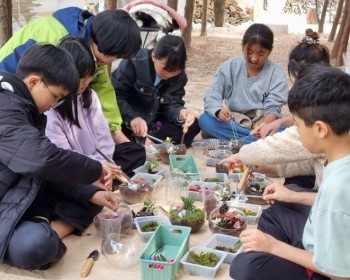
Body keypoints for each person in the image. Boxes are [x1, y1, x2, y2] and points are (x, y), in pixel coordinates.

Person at [0, 44, 120, 270]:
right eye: (56, 96)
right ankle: (44, 229)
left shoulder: (24, 107)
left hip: (20, 194)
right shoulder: (5, 108)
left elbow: (42, 170)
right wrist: (95, 169)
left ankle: (43, 224)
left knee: (94, 196)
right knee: (37, 246)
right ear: (34, 82)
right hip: (8, 202)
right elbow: (42, 160)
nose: (54, 105)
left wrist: (91, 192)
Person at [230, 64, 350, 280]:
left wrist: (274, 247)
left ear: (321, 129)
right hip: (320, 239)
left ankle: (300, 267)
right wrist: (292, 196)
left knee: (244, 267)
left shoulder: (338, 186)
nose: (296, 132)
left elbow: (341, 273)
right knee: (274, 214)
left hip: (330, 267)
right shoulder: (339, 159)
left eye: (296, 125)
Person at [0, 6, 141, 144]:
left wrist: (115, 130)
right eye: (116, 57)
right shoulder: (59, 45)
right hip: (8, 88)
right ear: (105, 48)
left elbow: (102, 86)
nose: (112, 61)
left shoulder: (93, 41)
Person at [221, 29, 331, 190]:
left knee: (276, 211)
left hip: (332, 201)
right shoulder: (330, 92)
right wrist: (271, 168)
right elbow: (312, 157)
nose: (254, 58)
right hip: (322, 182)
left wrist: (244, 154)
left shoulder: (320, 105)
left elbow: (297, 141)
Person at [45, 36, 146, 179]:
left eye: (89, 76)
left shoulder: (90, 96)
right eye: (81, 77)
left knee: (135, 151)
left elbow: (103, 135)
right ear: (66, 73)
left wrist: (105, 162)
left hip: (99, 160)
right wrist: (96, 166)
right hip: (77, 165)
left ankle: (104, 179)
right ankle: (100, 181)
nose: (86, 82)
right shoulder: (52, 105)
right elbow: (63, 152)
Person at [198, 23, 289, 144]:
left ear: (270, 51)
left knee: (288, 130)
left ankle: (238, 141)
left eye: (261, 54)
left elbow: (274, 106)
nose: (254, 58)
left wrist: (265, 125)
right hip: (234, 121)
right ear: (243, 47)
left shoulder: (276, 73)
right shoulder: (230, 66)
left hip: (263, 123)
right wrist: (219, 110)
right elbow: (212, 93)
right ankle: (258, 143)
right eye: (249, 52)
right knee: (205, 120)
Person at [112, 34, 200, 148]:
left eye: (175, 71)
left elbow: (172, 104)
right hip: (129, 121)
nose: (169, 74)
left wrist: (180, 112)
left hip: (154, 123)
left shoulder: (181, 77)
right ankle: (148, 142)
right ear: (153, 56)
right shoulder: (134, 62)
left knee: (194, 124)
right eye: (165, 68)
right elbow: (116, 96)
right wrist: (132, 117)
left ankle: (150, 141)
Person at [259, 28, 331, 138]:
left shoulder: (328, 95)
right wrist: (279, 122)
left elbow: (308, 132)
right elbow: (302, 118)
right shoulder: (328, 84)